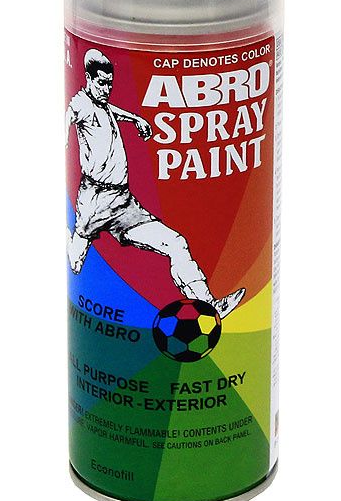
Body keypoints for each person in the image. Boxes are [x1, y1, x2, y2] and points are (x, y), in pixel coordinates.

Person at [66, 48, 245, 318]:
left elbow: (112, 110)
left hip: (124, 203)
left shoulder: (103, 105)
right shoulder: (82, 103)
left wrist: (136, 119)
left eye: (110, 84)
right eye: (101, 83)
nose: (106, 90)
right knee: (75, 265)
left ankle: (209, 304)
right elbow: (70, 114)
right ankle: (72, 243)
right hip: (95, 201)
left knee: (176, 243)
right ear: (89, 79)